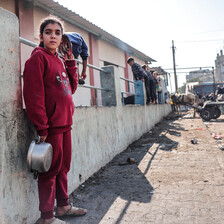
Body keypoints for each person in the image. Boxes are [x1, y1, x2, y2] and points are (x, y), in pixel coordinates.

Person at [23, 16, 87, 224]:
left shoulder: (59, 60)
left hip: (66, 123)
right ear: (41, 37)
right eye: (48, 32)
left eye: (57, 33)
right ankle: (47, 217)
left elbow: (72, 88)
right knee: (49, 171)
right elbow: (33, 95)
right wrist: (41, 126)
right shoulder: (37, 59)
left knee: (63, 168)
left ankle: (63, 206)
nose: (53, 36)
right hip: (50, 126)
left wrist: (70, 61)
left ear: (62, 39)